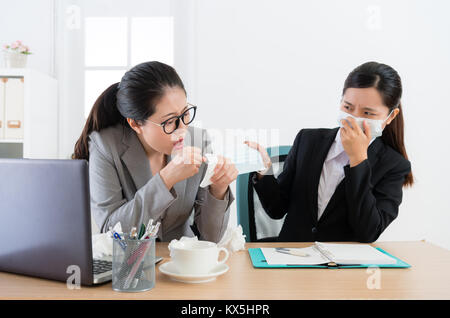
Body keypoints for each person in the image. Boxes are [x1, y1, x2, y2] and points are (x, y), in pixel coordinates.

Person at [246, 61, 413, 243]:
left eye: (367, 113)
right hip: (292, 257)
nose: (354, 118)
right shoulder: (308, 140)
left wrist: (358, 160)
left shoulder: (394, 165)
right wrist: (265, 171)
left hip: (344, 267)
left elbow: (368, 232)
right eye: (347, 107)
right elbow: (277, 209)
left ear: (390, 117)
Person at [73, 61, 238, 243]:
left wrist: (218, 190)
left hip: (180, 261)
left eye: (185, 113)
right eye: (169, 121)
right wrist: (166, 179)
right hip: (128, 265)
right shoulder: (105, 146)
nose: (182, 128)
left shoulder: (198, 141)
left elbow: (210, 238)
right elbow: (112, 231)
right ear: (135, 124)